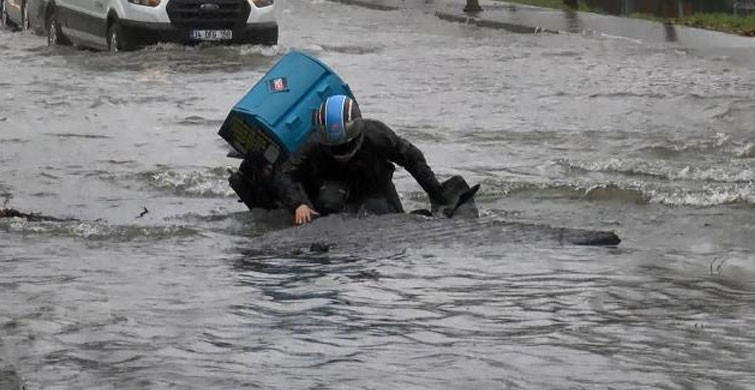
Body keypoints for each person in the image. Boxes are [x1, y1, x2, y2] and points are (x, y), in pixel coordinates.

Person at [275, 95, 448, 225]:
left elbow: (413, 159)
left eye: (344, 145)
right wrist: (299, 204)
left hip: (376, 189)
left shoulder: (377, 135)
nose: (340, 151)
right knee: (328, 202)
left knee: (382, 210)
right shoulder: (313, 143)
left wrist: (436, 194)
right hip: (335, 192)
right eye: (334, 146)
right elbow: (286, 173)